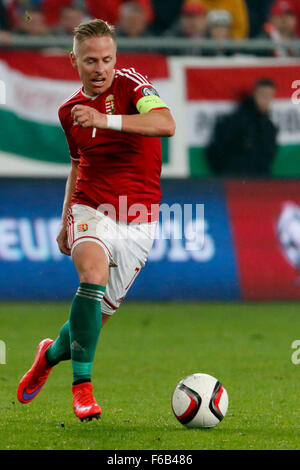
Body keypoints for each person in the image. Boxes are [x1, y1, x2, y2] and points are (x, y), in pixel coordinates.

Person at [16, 19, 175, 422]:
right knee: (92, 275)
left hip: (139, 217)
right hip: (92, 207)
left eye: (106, 59)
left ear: (115, 58)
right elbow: (76, 165)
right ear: (75, 61)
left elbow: (165, 125)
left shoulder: (133, 84)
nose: (100, 68)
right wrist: (65, 218)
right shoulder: (68, 111)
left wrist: (106, 120)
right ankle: (82, 389)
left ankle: (48, 356)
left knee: (91, 320)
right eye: (90, 61)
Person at [205, 78, 278, 177]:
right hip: (235, 183)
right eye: (263, 95)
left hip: (260, 184)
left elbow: (268, 158)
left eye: (269, 96)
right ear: (254, 94)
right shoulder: (235, 121)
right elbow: (216, 151)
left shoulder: (270, 127)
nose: (266, 100)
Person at [183, 0, 249, 39]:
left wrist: (227, 39)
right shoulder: (194, 1)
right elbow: (187, 25)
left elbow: (241, 31)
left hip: (228, 46)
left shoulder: (235, 1)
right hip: (201, 44)